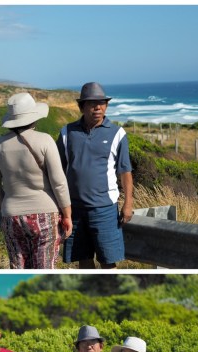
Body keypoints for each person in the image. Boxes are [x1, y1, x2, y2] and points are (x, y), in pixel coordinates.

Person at [0, 93, 73, 268]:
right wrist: (68, 215)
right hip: (44, 214)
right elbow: (59, 182)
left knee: (18, 267)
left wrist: (9, 202)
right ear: (34, 117)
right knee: (44, 268)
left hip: (11, 215)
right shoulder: (45, 140)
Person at [57, 82, 133, 269]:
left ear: (106, 106)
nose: (97, 107)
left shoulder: (117, 133)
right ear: (82, 107)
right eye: (91, 103)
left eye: (101, 103)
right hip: (74, 208)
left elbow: (125, 171)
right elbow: (58, 170)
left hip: (104, 209)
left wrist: (128, 203)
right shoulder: (67, 132)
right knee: (83, 259)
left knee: (108, 261)